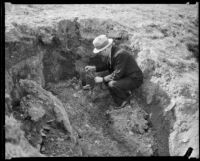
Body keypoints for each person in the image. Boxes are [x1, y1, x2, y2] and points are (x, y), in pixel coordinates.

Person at [85, 35, 143, 108]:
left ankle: (126, 100)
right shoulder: (112, 52)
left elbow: (117, 74)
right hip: (125, 76)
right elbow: (107, 66)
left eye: (100, 52)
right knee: (108, 82)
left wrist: (102, 79)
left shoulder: (120, 54)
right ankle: (122, 93)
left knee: (112, 84)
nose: (100, 53)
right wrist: (94, 68)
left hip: (134, 78)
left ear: (105, 49)